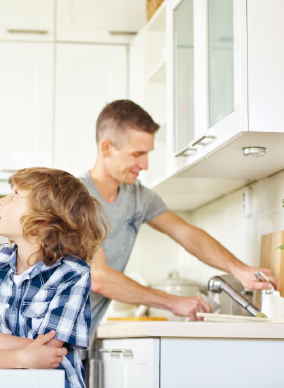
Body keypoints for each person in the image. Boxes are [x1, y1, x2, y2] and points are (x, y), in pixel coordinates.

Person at [84, 99, 280, 334]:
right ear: (106, 148)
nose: (145, 164)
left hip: (81, 335)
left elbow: (187, 234)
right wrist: (173, 302)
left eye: (147, 154)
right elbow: (99, 277)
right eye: (137, 154)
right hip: (50, 336)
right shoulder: (75, 197)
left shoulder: (138, 198)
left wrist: (240, 270)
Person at [0, 168, 107, 388]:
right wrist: (22, 357)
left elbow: (49, 352)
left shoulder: (72, 273)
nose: (2, 200)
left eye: (15, 195)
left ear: (45, 218)